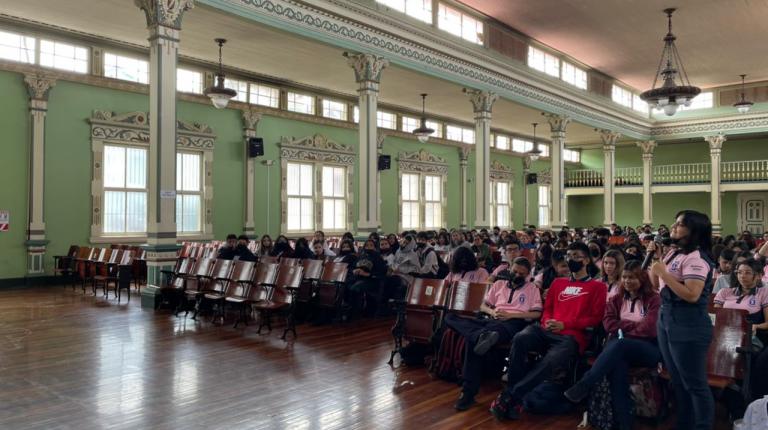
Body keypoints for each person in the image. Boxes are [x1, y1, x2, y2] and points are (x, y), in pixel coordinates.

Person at [489, 241, 607, 420]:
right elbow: (548, 309)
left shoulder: (598, 287)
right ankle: (515, 397)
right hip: (546, 329)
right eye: (569, 256)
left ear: (587, 261)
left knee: (552, 359)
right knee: (521, 338)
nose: (571, 259)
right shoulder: (558, 283)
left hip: (571, 335)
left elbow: (595, 318)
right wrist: (547, 321)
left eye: (576, 256)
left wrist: (564, 325)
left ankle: (511, 396)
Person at [564, 260, 662, 430]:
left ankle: (585, 385)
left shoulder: (654, 299)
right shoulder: (617, 299)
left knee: (619, 345)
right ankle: (624, 423)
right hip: (620, 350)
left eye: (632, 277)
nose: (627, 281)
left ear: (642, 279)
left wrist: (622, 326)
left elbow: (650, 329)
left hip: (648, 349)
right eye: (624, 277)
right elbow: (608, 324)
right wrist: (631, 327)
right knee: (618, 368)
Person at [648, 210, 715, 430]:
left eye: (679, 224)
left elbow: (692, 295)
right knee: (677, 379)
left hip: (689, 322)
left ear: (693, 231)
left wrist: (664, 273)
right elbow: (655, 283)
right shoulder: (673, 253)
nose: (673, 227)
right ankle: (684, 423)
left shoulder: (697, 258)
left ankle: (703, 426)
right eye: (675, 222)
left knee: (695, 383)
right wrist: (656, 261)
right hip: (666, 316)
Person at [447, 257, 543, 411]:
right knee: (450, 317)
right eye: (515, 271)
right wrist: (493, 311)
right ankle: (481, 336)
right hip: (492, 320)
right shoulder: (499, 284)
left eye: (522, 274)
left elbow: (536, 314)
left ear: (527, 275)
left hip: (514, 323)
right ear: (509, 269)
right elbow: (483, 306)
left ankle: (468, 393)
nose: (517, 275)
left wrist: (511, 315)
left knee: (474, 341)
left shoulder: (532, 289)